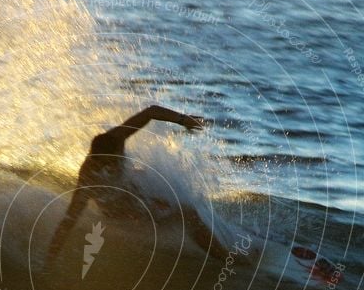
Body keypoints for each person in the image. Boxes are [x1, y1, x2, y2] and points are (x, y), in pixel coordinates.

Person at [45, 104, 236, 267]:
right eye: (107, 164)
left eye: (115, 160)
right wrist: (49, 260)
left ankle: (214, 240)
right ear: (98, 161)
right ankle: (225, 258)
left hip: (131, 192)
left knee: (143, 175)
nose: (114, 164)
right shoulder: (89, 178)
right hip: (121, 211)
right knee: (188, 213)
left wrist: (183, 119)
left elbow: (151, 111)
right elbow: (68, 220)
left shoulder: (117, 137)